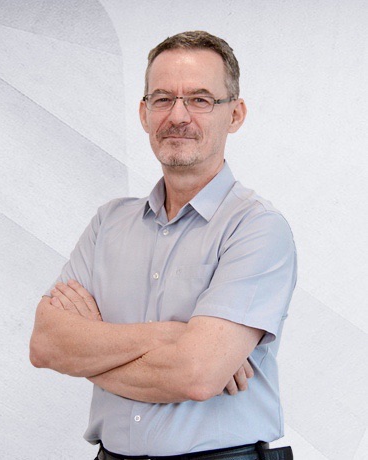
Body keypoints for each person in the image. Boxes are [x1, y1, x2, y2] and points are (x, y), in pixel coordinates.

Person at [30, 31, 296, 460]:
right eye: (162, 99)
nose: (178, 115)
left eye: (200, 99)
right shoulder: (108, 223)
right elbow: (46, 345)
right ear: (144, 112)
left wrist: (88, 353)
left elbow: (196, 375)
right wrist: (173, 336)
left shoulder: (257, 229)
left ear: (235, 114)